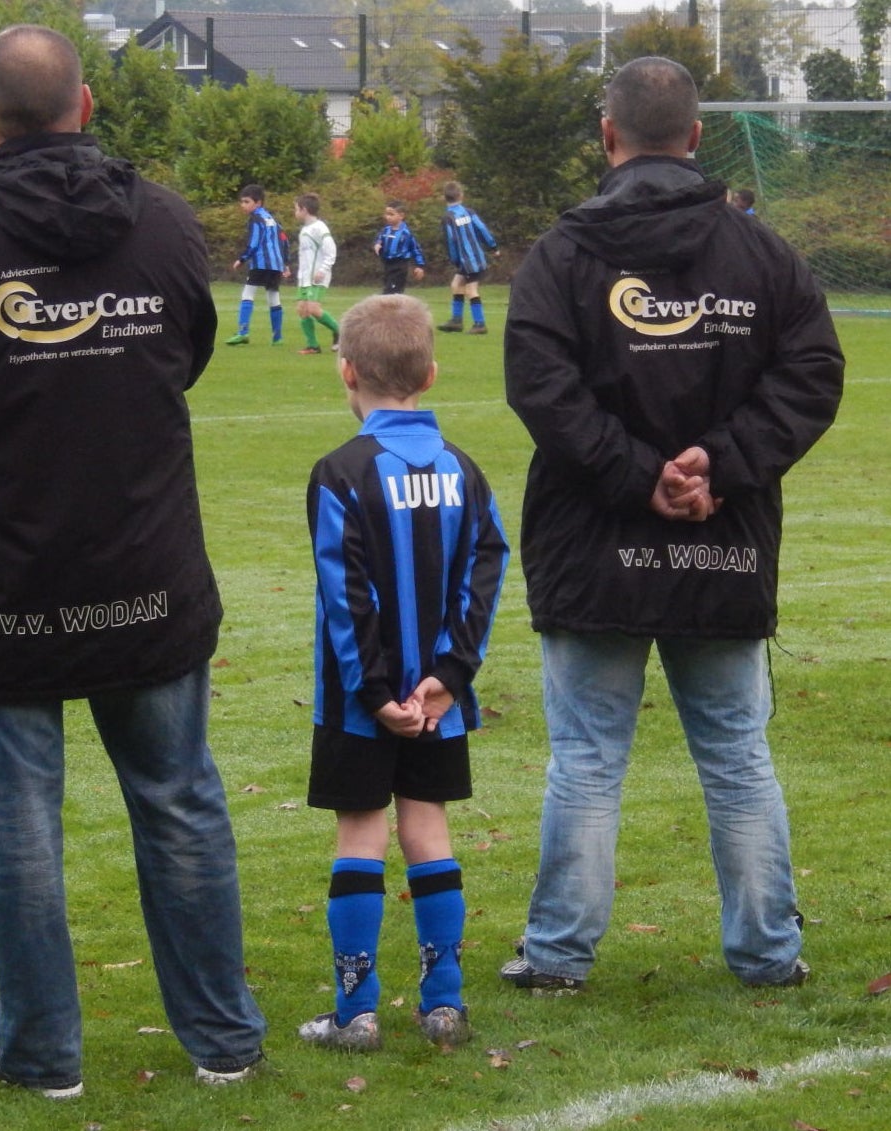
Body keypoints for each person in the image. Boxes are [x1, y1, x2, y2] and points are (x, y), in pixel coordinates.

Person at [0, 24, 266, 1098]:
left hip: (9, 572)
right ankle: (220, 1039)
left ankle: (47, 1053)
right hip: (142, 562)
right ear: (86, 107)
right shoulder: (164, 223)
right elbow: (184, 351)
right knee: (178, 800)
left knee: (18, 818)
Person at [502, 56, 843, 995]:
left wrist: (680, 470)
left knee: (586, 758)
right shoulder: (761, 254)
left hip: (595, 542)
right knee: (735, 755)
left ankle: (558, 955)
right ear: (695, 137)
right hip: (715, 541)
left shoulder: (561, 255)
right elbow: (812, 372)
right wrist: (698, 471)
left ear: (606, 135)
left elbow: (541, 387)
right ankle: (765, 952)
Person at [299, 294, 509, 1052]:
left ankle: (354, 1013)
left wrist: (377, 692)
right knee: (427, 825)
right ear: (430, 373)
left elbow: (345, 593)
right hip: (436, 700)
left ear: (347, 372)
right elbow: (486, 573)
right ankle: (442, 1004)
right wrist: (449, 675)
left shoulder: (340, 473)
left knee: (361, 830)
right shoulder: (464, 470)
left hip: (361, 700)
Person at [227, 183, 287, 345]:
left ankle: (243, 332)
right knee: (273, 297)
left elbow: (254, 243)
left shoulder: (255, 219)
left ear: (258, 203)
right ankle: (277, 337)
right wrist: (285, 262)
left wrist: (242, 259)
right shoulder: (272, 219)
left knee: (248, 294)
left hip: (260, 263)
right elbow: (284, 240)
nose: (243, 205)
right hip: (275, 265)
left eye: (247, 202)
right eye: (242, 202)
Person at [438, 180, 498, 335]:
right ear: (461, 195)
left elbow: (451, 241)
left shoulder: (447, 218)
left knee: (471, 289)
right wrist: (493, 246)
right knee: (456, 284)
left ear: (444, 198)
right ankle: (456, 321)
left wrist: (455, 260)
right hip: (476, 258)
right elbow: (482, 229)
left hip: (466, 261)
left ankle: (480, 324)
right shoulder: (469, 212)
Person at [293, 191, 340, 355]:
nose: (295, 212)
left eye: (296, 209)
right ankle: (313, 345)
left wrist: (323, 270)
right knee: (302, 309)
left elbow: (331, 251)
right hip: (305, 278)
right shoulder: (305, 229)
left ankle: (340, 331)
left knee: (313, 309)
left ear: (304, 210)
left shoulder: (320, 228)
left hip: (317, 276)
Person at [374, 200, 425, 295]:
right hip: (387, 264)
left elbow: (415, 249)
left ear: (401, 216)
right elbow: (379, 239)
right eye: (386, 214)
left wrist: (420, 265)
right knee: (388, 289)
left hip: (399, 265)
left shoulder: (406, 233)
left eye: (391, 214)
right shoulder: (385, 230)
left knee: (391, 292)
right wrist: (377, 244)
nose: (388, 217)